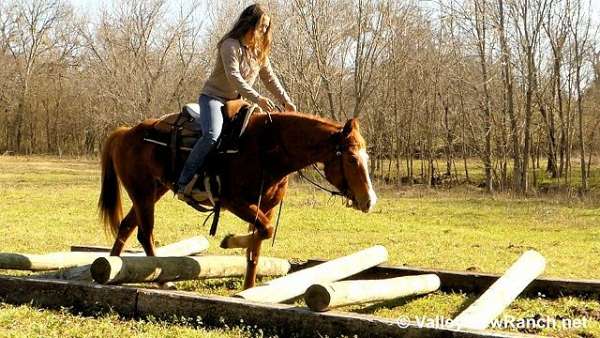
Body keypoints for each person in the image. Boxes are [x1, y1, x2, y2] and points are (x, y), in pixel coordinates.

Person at [177, 3, 296, 199]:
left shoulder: (259, 51)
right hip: (213, 98)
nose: (263, 30)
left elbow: (270, 78)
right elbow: (234, 77)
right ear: (250, 23)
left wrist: (286, 101)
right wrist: (258, 98)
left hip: (238, 103)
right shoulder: (230, 44)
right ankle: (183, 181)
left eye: (266, 27)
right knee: (212, 135)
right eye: (261, 26)